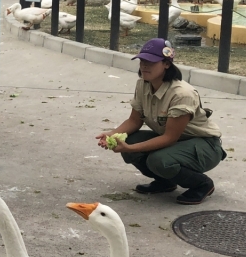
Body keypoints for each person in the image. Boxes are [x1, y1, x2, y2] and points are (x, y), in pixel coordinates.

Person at [96, 38, 225, 205]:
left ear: (166, 64)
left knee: (158, 160)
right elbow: (134, 120)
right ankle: (165, 182)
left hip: (203, 146)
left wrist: (130, 148)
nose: (144, 66)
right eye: (142, 61)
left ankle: (201, 184)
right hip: (175, 142)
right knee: (128, 141)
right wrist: (112, 134)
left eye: (151, 61)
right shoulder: (143, 84)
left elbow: (169, 138)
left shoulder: (182, 93)